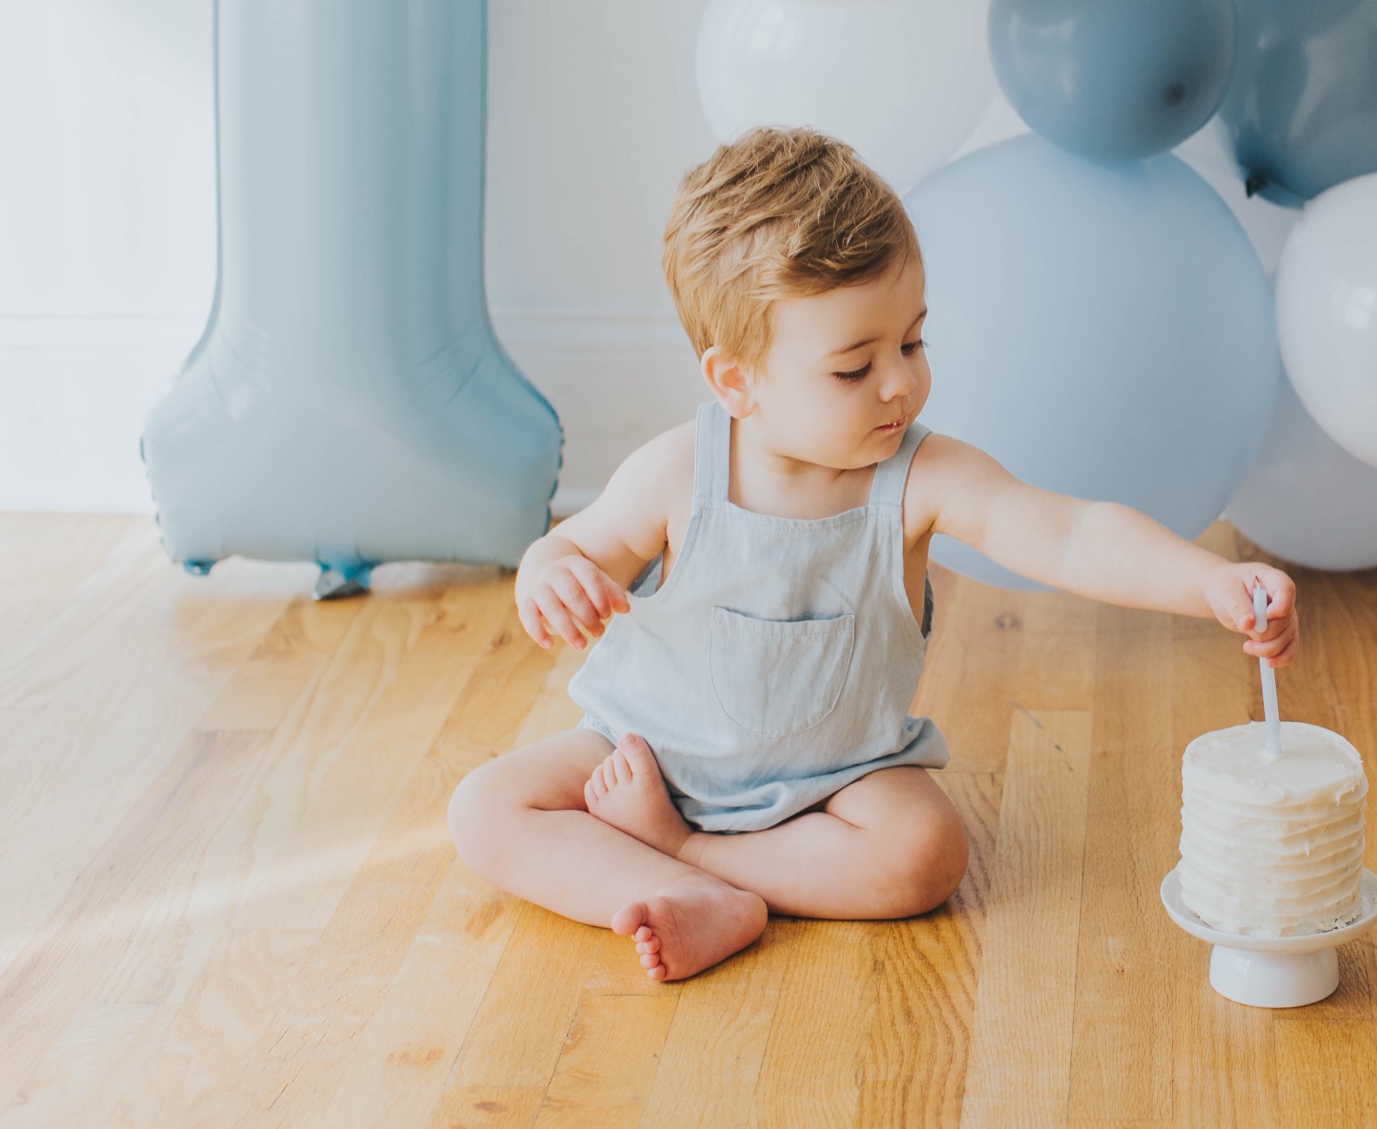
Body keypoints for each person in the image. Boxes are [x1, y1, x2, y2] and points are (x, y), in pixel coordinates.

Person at [447, 127, 1297, 981]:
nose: (898, 382)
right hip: (644, 761)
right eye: (854, 368)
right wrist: (549, 573)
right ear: (736, 381)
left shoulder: (919, 477)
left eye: (912, 343)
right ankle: (685, 883)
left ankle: (687, 860)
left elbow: (1070, 534)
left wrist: (1210, 581)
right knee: (485, 809)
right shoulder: (677, 473)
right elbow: (573, 546)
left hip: (835, 783)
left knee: (926, 853)